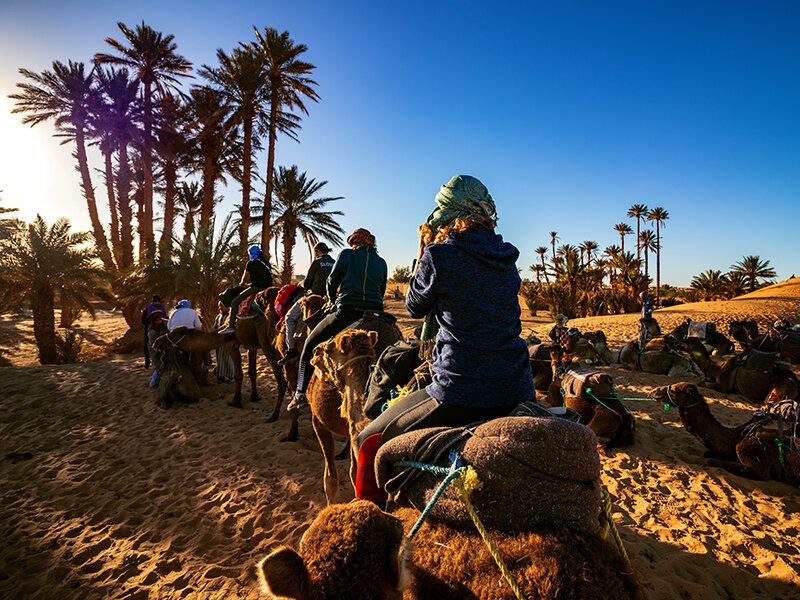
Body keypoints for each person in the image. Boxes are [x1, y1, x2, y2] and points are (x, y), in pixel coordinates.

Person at [354, 175, 535, 503]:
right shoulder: (507, 259)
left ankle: (368, 522)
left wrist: (423, 252)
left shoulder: (439, 255)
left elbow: (414, 307)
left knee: (368, 441)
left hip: (460, 388)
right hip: (517, 385)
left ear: (448, 215)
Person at [287, 228, 387, 411]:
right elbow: (382, 289)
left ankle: (299, 394)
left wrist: (333, 301)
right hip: (376, 313)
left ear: (354, 242)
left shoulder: (347, 255)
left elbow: (331, 282)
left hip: (348, 311)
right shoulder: (381, 262)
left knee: (309, 344)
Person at [277, 242, 335, 366]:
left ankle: (291, 350)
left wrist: (299, 284)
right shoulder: (335, 262)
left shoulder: (317, 262)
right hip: (329, 299)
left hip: (312, 296)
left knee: (289, 317)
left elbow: (308, 283)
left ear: (317, 252)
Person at [220, 245, 273, 334]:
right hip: (269, 288)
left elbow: (243, 279)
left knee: (234, 302)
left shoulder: (251, 263)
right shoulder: (267, 263)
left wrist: (243, 284)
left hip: (257, 288)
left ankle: (231, 326)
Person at [212, 301, 236, 383]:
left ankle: (231, 376)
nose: (220, 308)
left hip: (228, 340)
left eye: (221, 306)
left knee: (229, 359)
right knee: (220, 359)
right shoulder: (219, 316)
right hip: (219, 341)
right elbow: (215, 328)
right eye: (219, 306)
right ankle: (220, 376)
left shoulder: (230, 316)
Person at [142, 295, 167, 369]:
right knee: (150, 349)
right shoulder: (147, 310)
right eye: (155, 302)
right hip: (150, 329)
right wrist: (151, 325)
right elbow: (144, 320)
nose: (157, 303)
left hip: (162, 331)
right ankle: (147, 363)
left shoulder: (162, 309)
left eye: (158, 301)